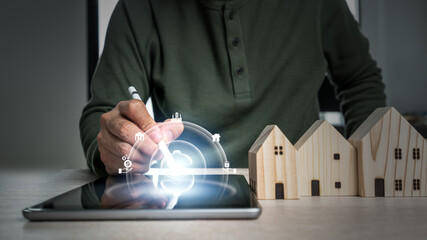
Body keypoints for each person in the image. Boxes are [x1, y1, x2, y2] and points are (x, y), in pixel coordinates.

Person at [80, 0, 386, 176]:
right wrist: (114, 150)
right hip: (191, 199)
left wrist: (372, 163)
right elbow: (104, 112)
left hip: (307, 188)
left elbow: (359, 79)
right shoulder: (140, 7)